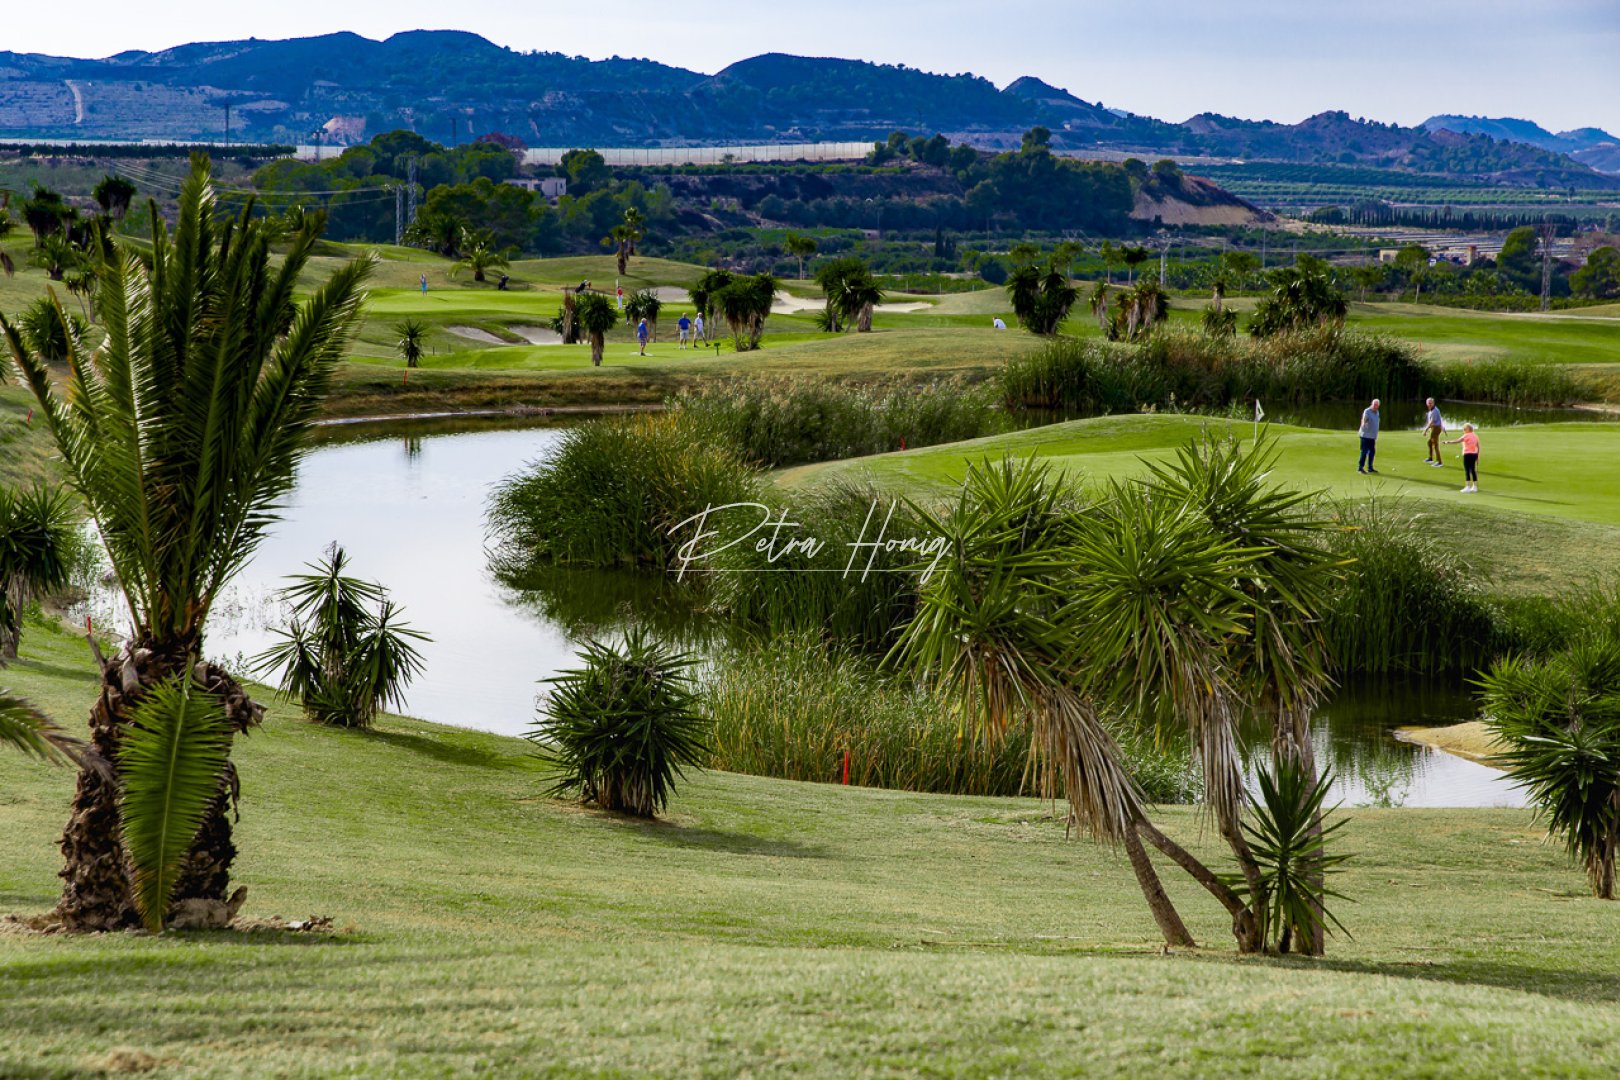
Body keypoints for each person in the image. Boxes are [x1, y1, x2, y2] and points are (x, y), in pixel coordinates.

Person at [1444, 423, 1481, 493]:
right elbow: (1478, 447)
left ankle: (1467, 487)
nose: (1463, 430)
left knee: (1467, 470)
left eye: (1464, 429)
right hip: (1474, 454)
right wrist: (1478, 457)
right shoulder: (1475, 436)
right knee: (1473, 470)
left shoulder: (1466, 435)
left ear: (1468, 429)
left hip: (1467, 454)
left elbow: (1457, 441)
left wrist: (1447, 442)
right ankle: (1475, 487)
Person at [1357, 398, 1381, 474]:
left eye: (1377, 405)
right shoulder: (1367, 411)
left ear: (1378, 406)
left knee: (1372, 452)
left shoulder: (1377, 412)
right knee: (1364, 452)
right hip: (1365, 435)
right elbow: (1364, 419)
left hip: (1372, 436)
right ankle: (1360, 468)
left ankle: (1370, 468)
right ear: (1371, 404)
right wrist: (1364, 423)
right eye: (1374, 404)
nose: (1375, 406)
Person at [1423, 398, 1445, 466]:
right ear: (1426, 403)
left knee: (1435, 445)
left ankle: (1439, 462)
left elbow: (1432, 421)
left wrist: (1425, 430)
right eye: (1428, 403)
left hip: (1436, 428)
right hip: (1434, 428)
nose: (1429, 404)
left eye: (1431, 403)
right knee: (1429, 443)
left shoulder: (1435, 411)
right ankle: (1430, 458)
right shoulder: (1432, 410)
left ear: (1433, 403)